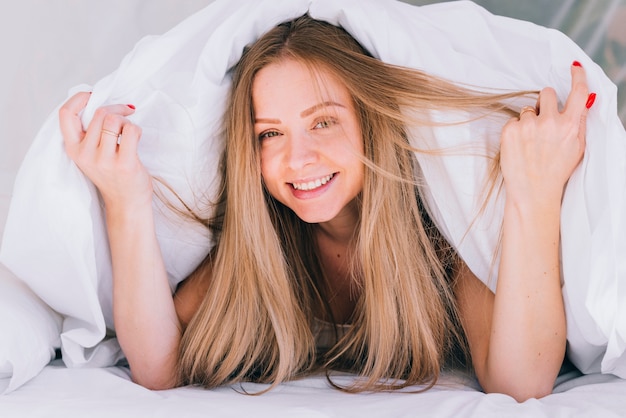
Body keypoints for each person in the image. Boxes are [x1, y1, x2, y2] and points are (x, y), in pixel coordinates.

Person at [58, 15, 595, 402]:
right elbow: (158, 367)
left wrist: (535, 194)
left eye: (323, 121)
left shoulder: (438, 243)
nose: (297, 159)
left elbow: (521, 385)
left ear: (370, 121)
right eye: (270, 133)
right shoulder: (266, 244)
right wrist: (125, 199)